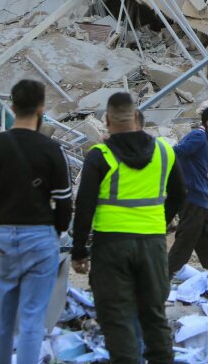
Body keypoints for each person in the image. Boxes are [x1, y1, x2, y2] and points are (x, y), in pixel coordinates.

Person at [71, 92, 186, 364]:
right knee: (154, 315)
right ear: (136, 118)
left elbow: (84, 206)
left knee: (117, 319)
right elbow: (180, 194)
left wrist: (78, 252)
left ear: (107, 121)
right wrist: (161, 221)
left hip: (111, 246)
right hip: (152, 244)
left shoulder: (100, 155)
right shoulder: (164, 151)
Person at [0, 80, 73, 364]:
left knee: (1, 320)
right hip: (40, 238)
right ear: (41, 108)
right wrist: (58, 232)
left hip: (2, 238)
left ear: (11, 107)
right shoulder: (51, 150)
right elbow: (64, 202)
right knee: (31, 319)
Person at [167, 106, 208, 275]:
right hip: (193, 196)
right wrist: (182, 182)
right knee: (187, 237)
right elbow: (174, 154)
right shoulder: (198, 137)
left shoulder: (206, 141)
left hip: (202, 197)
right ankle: (166, 273)